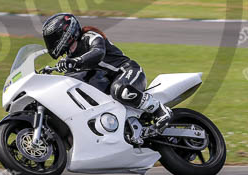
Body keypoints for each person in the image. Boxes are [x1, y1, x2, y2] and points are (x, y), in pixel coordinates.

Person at [41, 13, 172, 132]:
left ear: (66, 33)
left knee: (120, 90)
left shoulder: (90, 36)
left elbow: (98, 52)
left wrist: (76, 61)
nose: (51, 43)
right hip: (110, 83)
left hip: (128, 71)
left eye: (53, 38)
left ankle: (160, 110)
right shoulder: (70, 57)